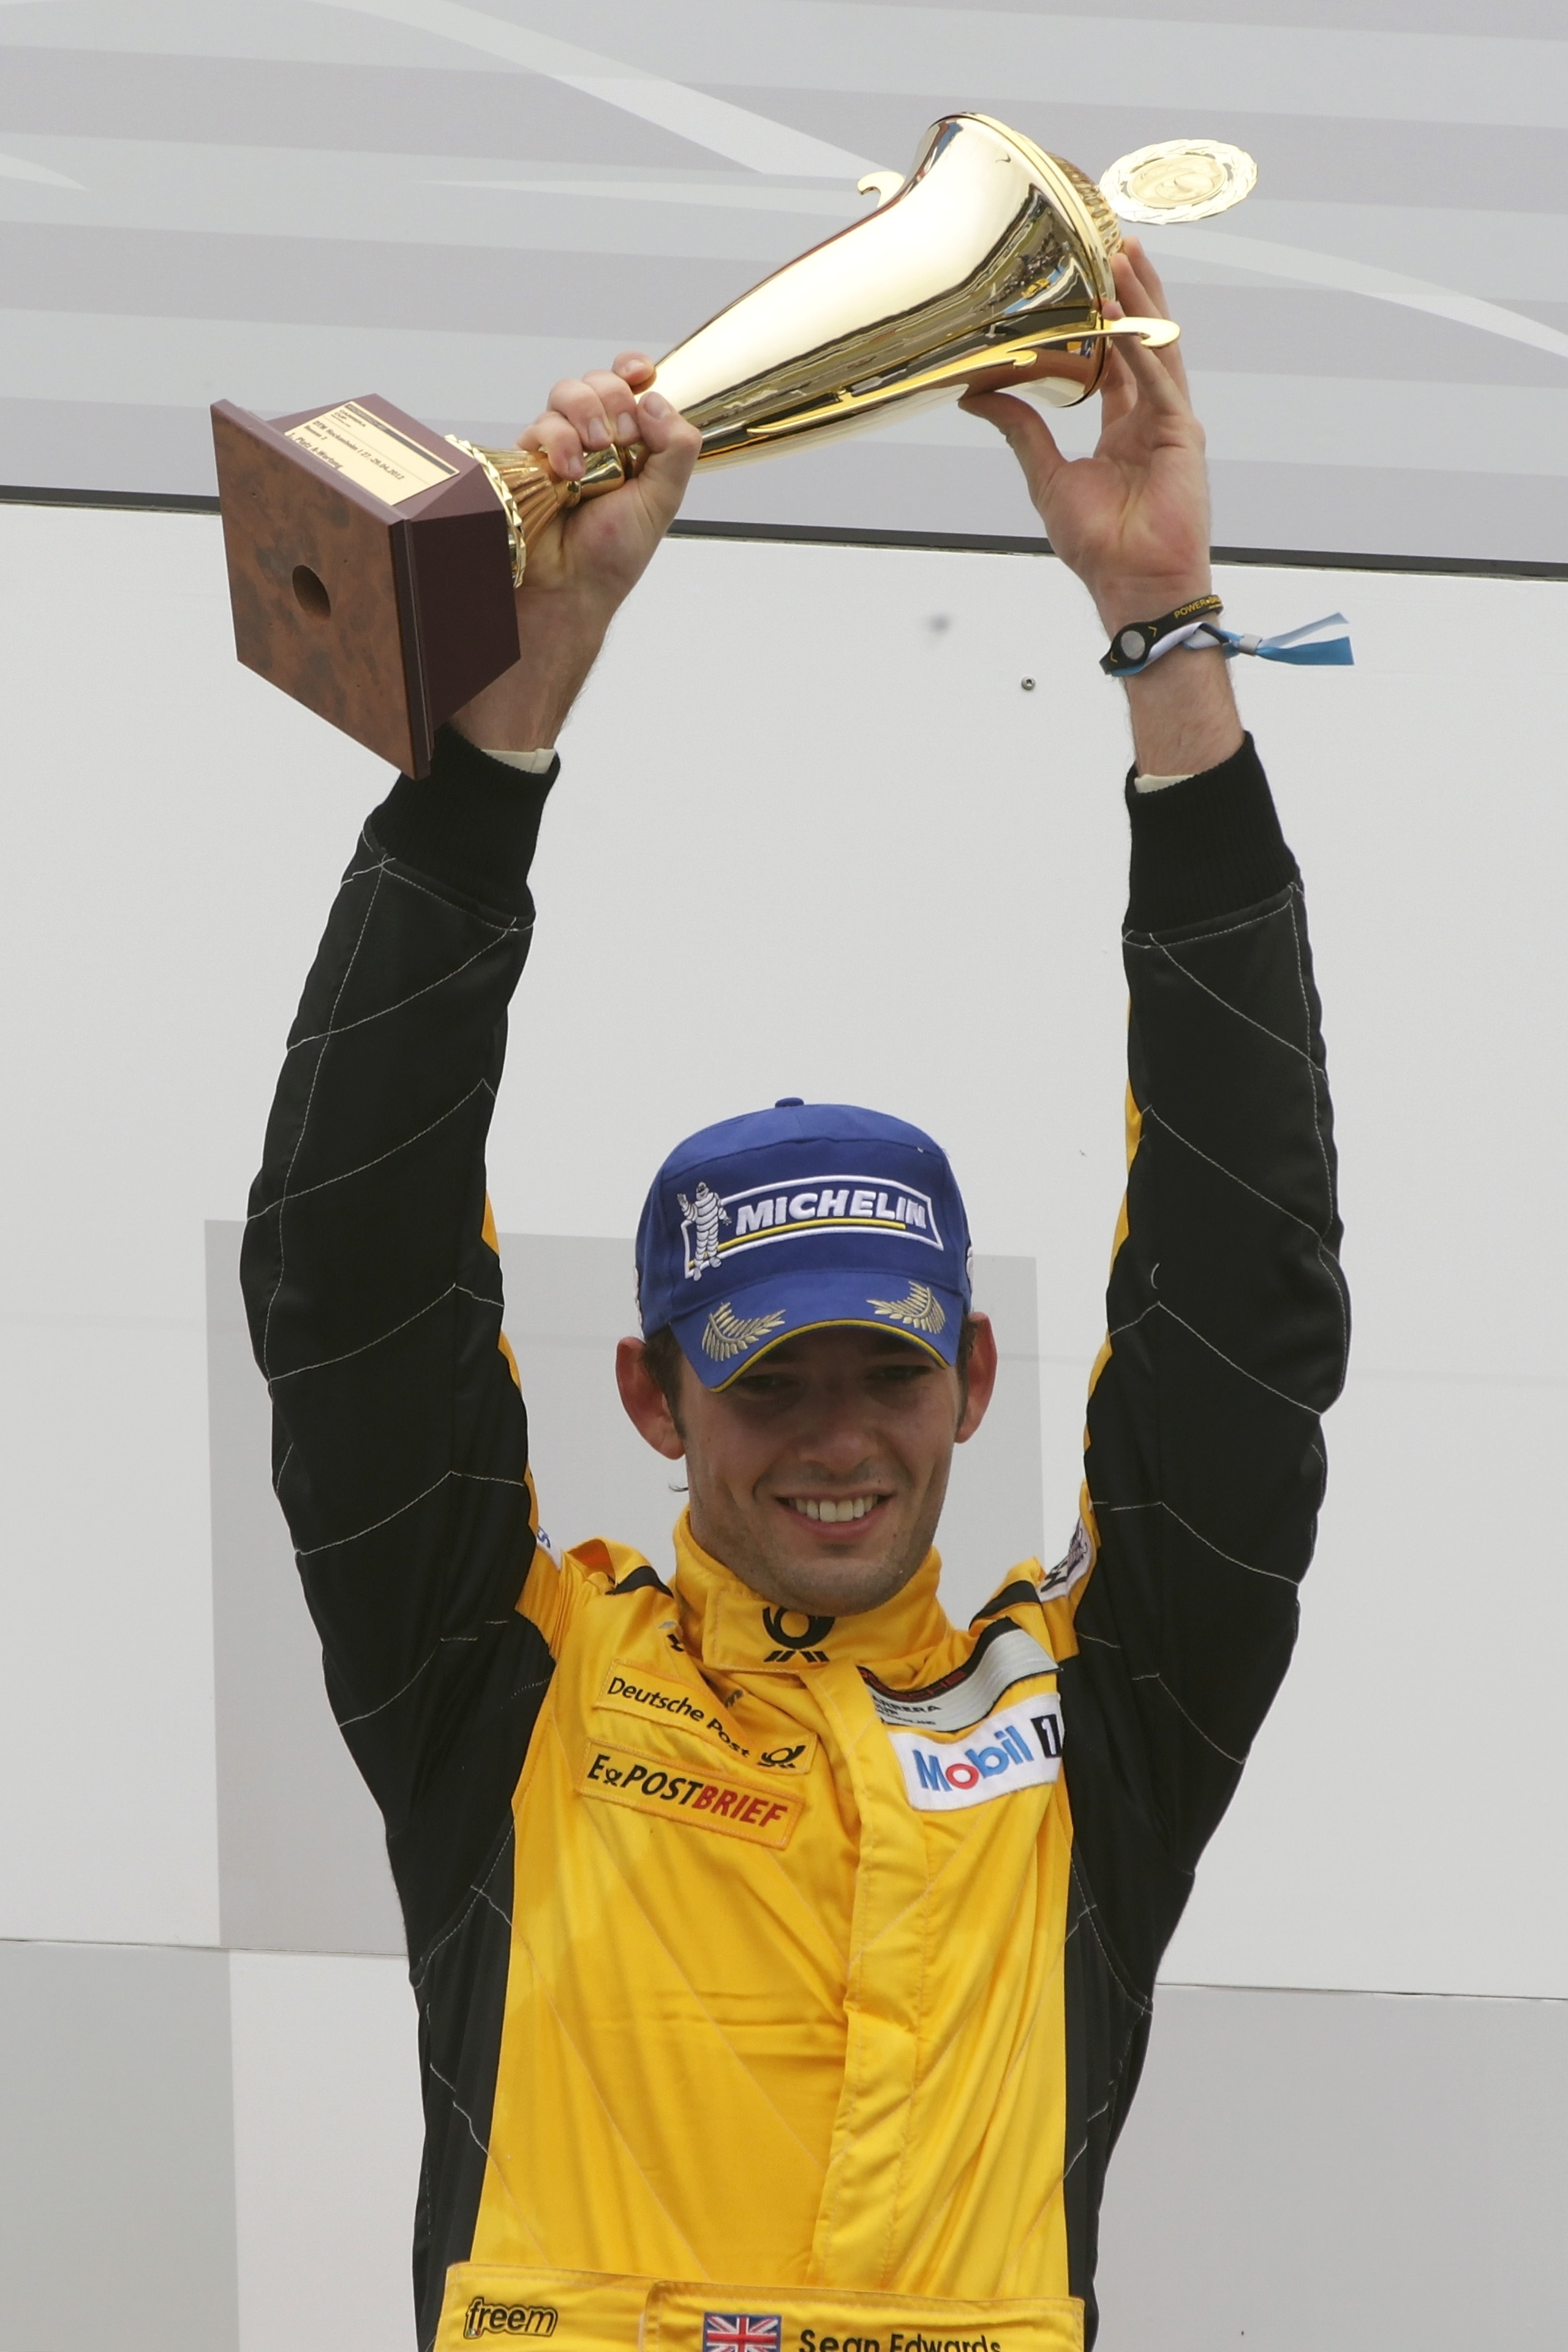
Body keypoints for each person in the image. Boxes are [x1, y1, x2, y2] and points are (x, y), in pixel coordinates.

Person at [241, 243, 1348, 2352]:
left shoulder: (1098, 1725)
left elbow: (1248, 1295)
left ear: (974, 1379)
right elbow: (346, 1274)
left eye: (885, 1372)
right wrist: (509, 718)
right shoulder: (505, 1690)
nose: (839, 1438)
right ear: (657, 1398)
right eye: (771, 1383)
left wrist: (1166, 638)